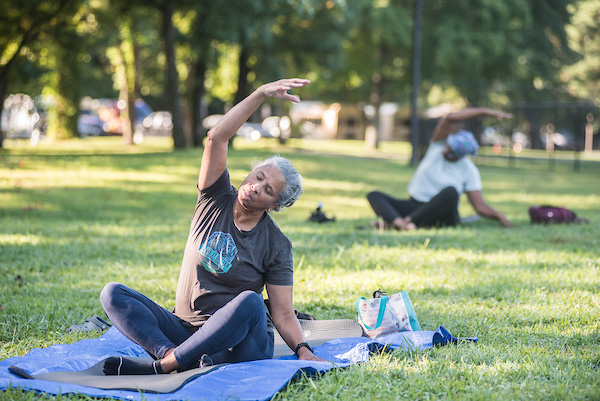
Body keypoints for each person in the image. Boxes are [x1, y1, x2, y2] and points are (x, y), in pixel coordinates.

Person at [100, 78, 325, 376]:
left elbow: (282, 312)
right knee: (113, 293)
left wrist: (303, 350)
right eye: (258, 177)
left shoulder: (277, 245)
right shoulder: (214, 197)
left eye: (268, 190)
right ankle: (174, 356)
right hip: (188, 332)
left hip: (241, 346)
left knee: (251, 303)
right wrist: (259, 93)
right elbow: (217, 137)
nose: (256, 187)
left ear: (276, 206)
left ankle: (168, 365)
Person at [367, 107, 514, 230]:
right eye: (447, 147)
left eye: (450, 152)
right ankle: (402, 223)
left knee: (451, 192)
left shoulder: (469, 170)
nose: (445, 151)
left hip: (444, 215)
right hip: (416, 206)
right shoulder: (437, 147)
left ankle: (404, 223)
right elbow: (449, 118)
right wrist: (485, 112)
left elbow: (479, 206)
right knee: (374, 195)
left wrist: (499, 215)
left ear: (460, 156)